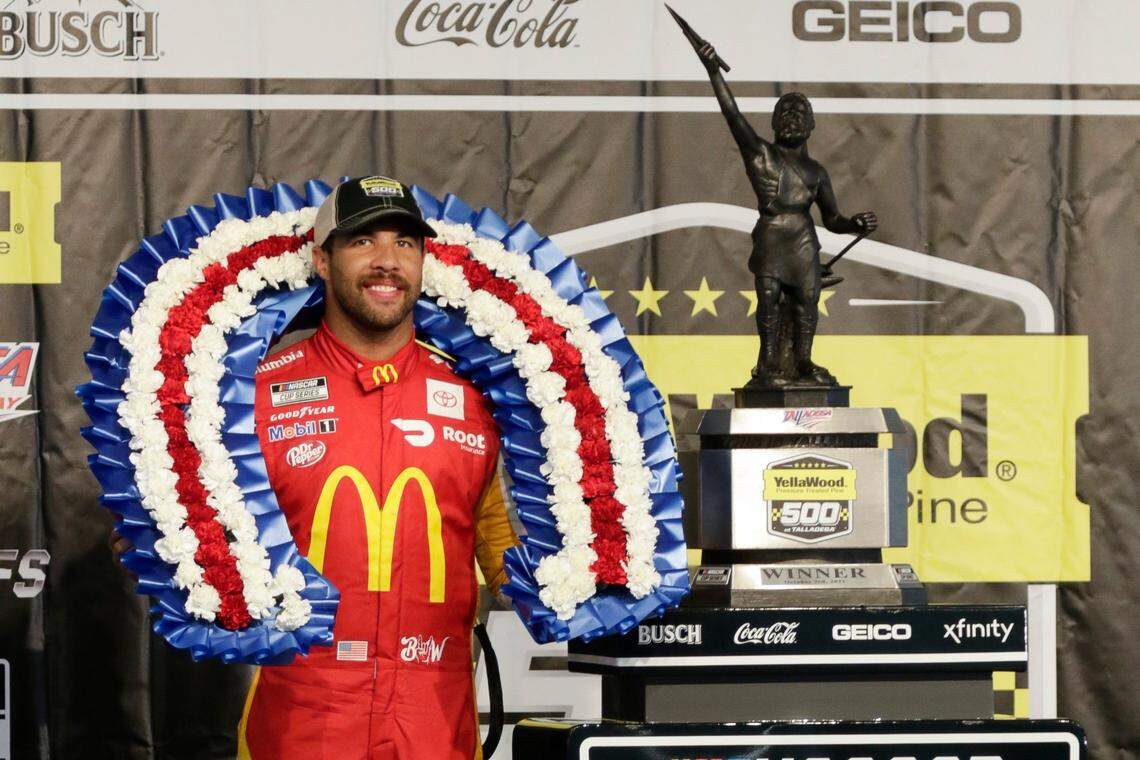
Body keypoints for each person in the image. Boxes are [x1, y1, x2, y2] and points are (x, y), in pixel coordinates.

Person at [112, 176, 519, 760]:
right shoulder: (247, 396)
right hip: (301, 724)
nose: (387, 262)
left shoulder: (478, 396)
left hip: (435, 724)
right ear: (321, 260)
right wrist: (155, 535)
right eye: (363, 242)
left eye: (406, 243)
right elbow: (176, 538)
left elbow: (503, 548)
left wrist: (590, 586)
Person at [695, 42, 878, 387]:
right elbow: (732, 115)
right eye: (786, 114)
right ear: (776, 123)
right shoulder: (760, 155)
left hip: (804, 241)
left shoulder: (816, 171)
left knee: (806, 302)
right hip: (771, 235)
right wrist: (713, 71)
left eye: (799, 115)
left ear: (810, 126)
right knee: (768, 298)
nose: (792, 120)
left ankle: (804, 360)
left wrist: (854, 224)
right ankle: (767, 362)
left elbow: (832, 218)